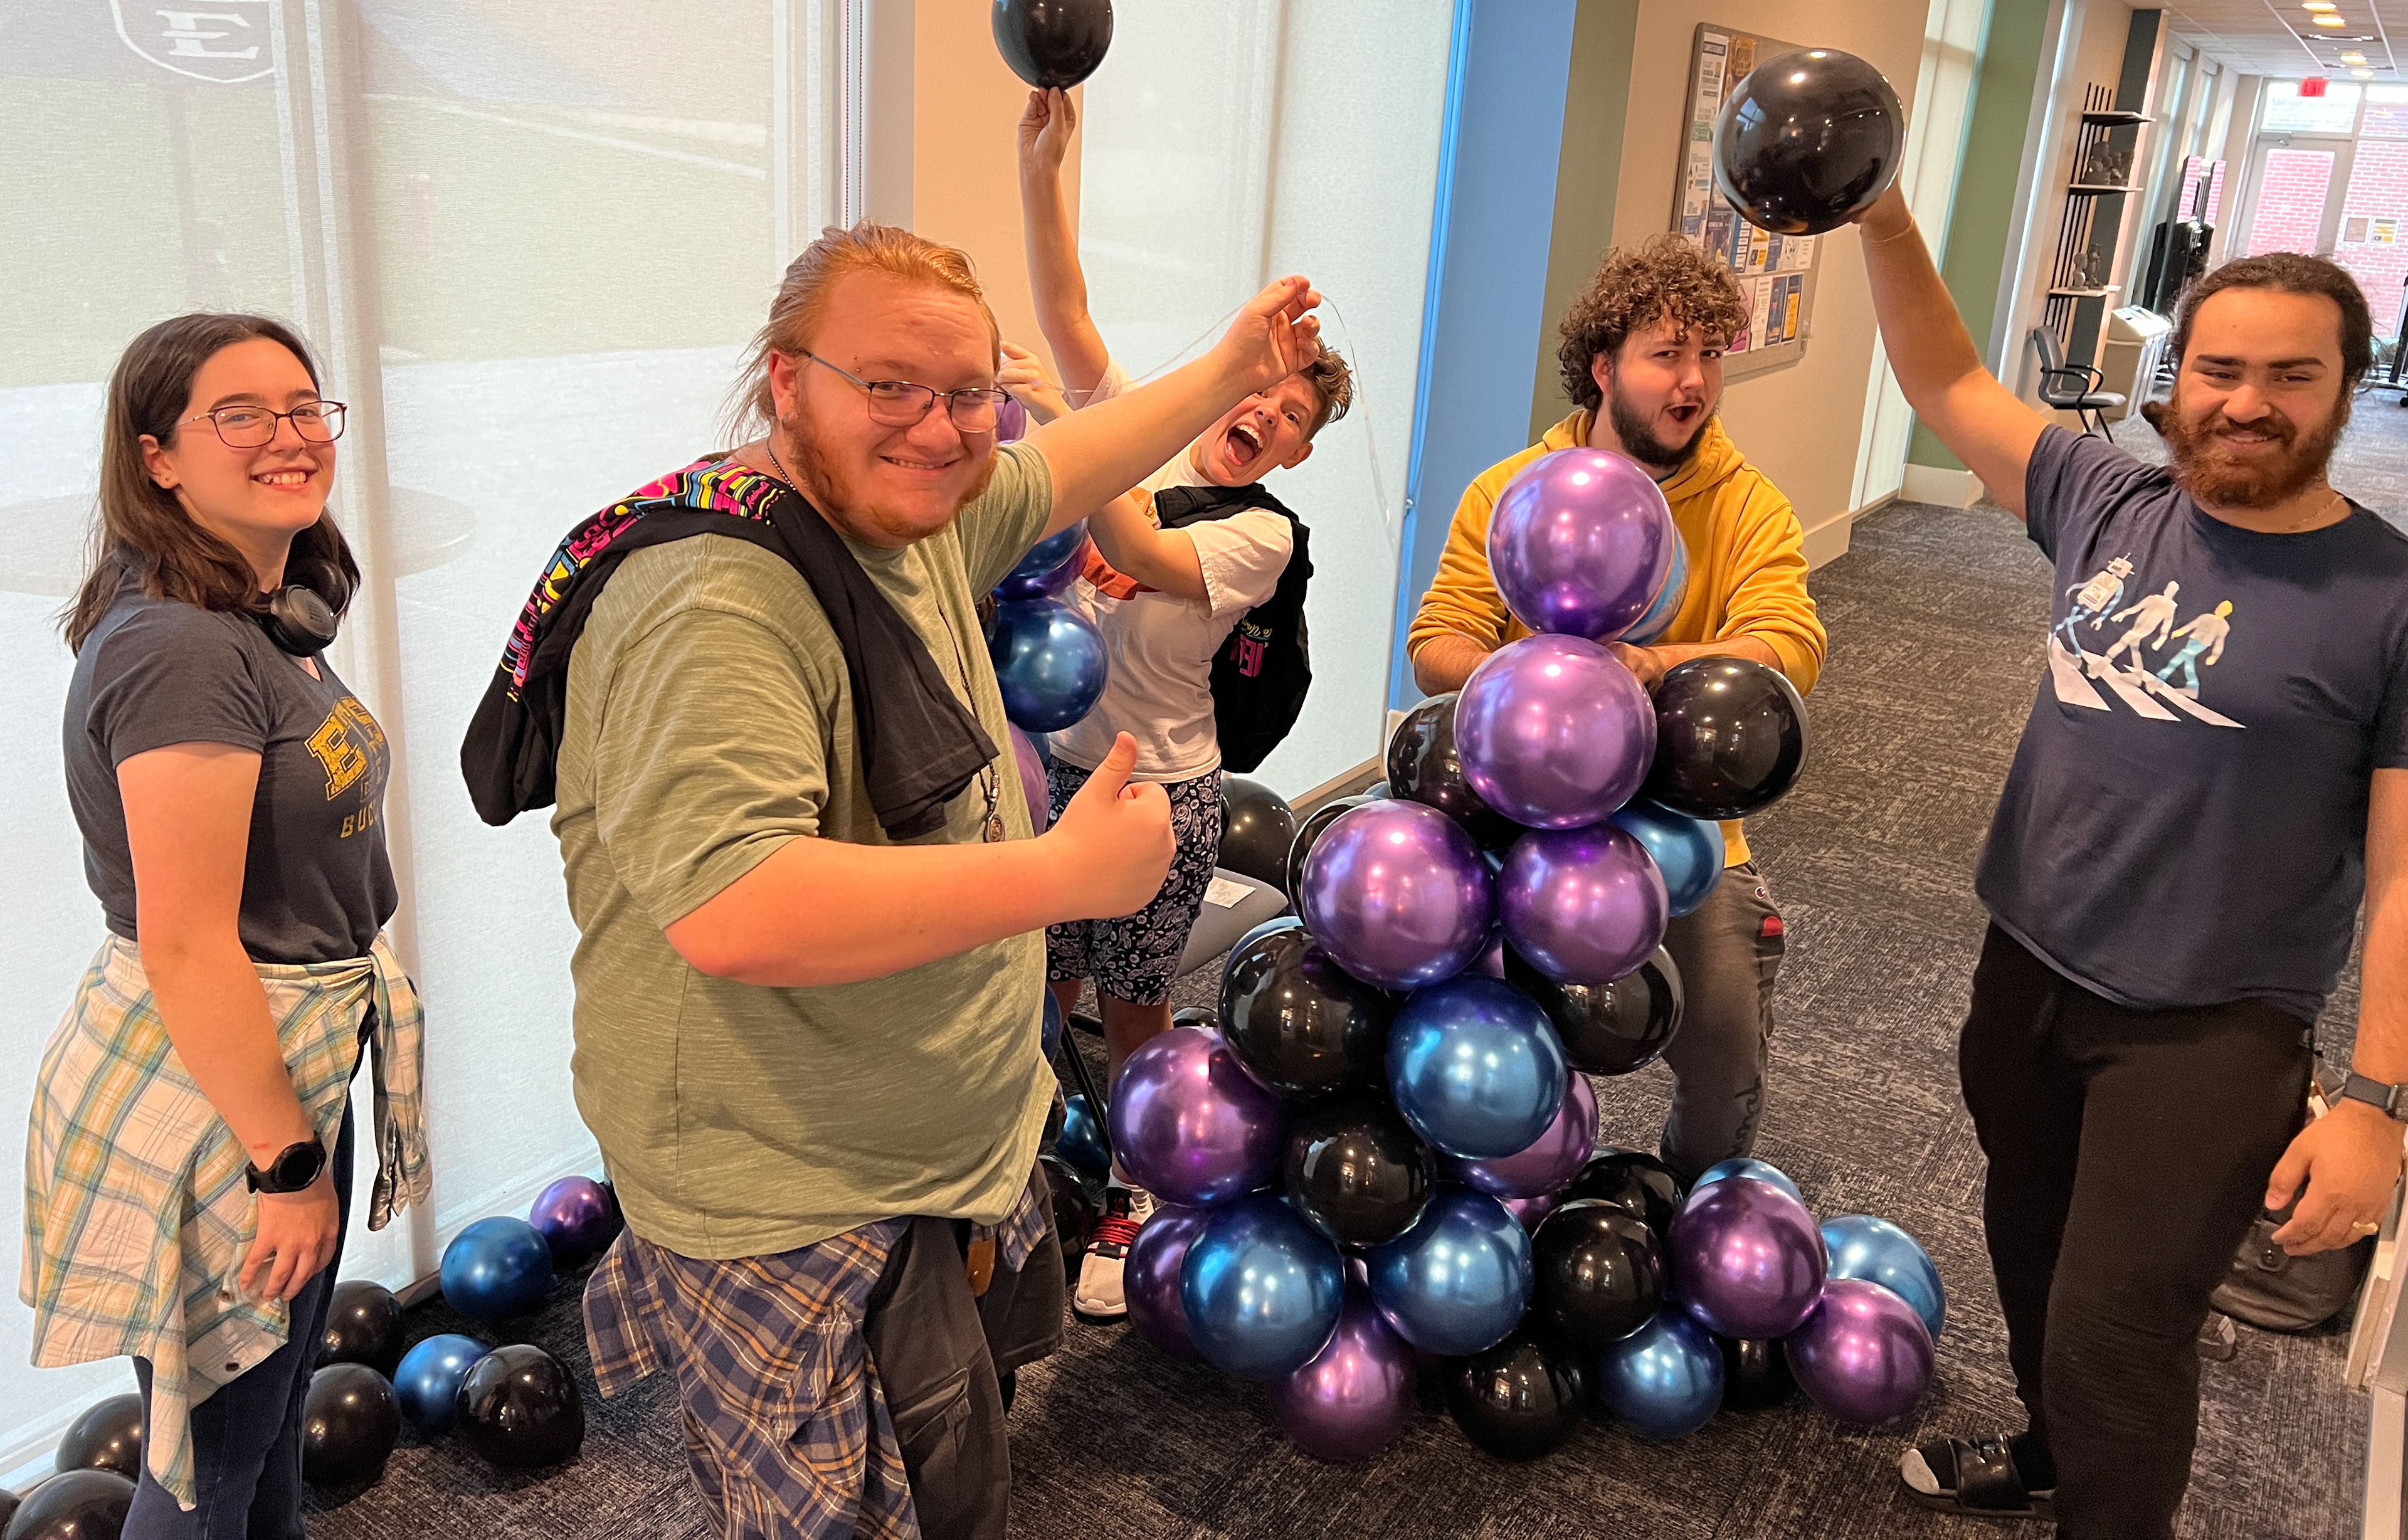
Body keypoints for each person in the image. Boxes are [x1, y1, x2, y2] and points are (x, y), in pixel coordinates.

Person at [462, 221, 1320, 1540]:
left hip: (919, 1145)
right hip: (793, 1195)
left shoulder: (907, 513)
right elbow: (738, 905)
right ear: (786, 380)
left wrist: (1229, 368)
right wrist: (1060, 875)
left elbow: (1063, 465)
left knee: (947, 1469)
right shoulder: (714, 605)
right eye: (890, 386)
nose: (939, 427)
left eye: (967, 392)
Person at [1849, 187, 2407, 1539]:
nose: (2248, 404)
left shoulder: (2388, 599)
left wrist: (2378, 1104)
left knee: (2119, 1336)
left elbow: (2405, 878)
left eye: (2291, 376)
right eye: (2220, 370)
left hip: (2210, 1029)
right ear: (2178, 378)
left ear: (2344, 389)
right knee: (2032, 1252)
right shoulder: (2108, 498)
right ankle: (2051, 1458)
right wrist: (1883, 219)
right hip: (2028, 966)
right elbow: (1948, 379)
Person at [25, 315, 427, 1540]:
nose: (289, 436)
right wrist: (285, 1165)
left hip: (288, 1062)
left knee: (263, 1427)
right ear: (157, 458)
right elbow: (189, 942)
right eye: (239, 414)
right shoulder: (182, 649)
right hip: (227, 1094)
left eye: (304, 407)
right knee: (209, 1467)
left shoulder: (259, 609)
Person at [1001, 86, 1354, 1321]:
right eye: (1262, 391)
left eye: (1290, 417)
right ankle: (1024, 1174)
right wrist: (1044, 166)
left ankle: (1135, 1189)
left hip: (1162, 798)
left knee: (1133, 1010)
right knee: (1036, 998)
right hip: (1058, 779)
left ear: (1297, 450)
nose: (1263, 415)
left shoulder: (1263, 534)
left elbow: (1137, 548)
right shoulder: (1144, 441)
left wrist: (1069, 432)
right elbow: (1067, 311)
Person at [1406, 234, 1826, 1184]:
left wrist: (1645, 666)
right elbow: (1437, 644)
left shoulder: (1749, 504)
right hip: (1513, 815)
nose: (1695, 381)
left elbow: (1790, 644)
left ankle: (1688, 1210)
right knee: (1457, 1035)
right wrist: (1545, 681)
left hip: (1680, 836)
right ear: (1602, 367)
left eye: (1710, 354)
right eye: (1666, 354)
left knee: (1725, 1051)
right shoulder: (1509, 492)